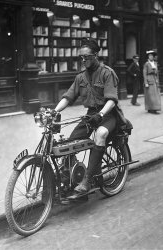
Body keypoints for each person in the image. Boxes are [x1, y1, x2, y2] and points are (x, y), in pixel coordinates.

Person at [53, 38, 121, 194]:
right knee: (70, 142)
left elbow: (112, 100)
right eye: (81, 58)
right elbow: (68, 97)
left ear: (96, 55)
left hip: (109, 114)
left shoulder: (107, 73)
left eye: (87, 57)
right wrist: (54, 111)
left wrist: (101, 114)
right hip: (91, 115)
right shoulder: (81, 77)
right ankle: (70, 176)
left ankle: (88, 180)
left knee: (101, 134)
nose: (83, 60)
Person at [143, 50, 161, 114]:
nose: (150, 57)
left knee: (155, 95)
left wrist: (157, 80)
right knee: (150, 95)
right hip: (149, 79)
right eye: (149, 56)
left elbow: (157, 73)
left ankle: (155, 108)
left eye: (151, 56)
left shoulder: (155, 63)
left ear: (153, 57)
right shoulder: (146, 64)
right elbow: (144, 73)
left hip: (154, 79)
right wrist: (146, 82)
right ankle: (151, 109)